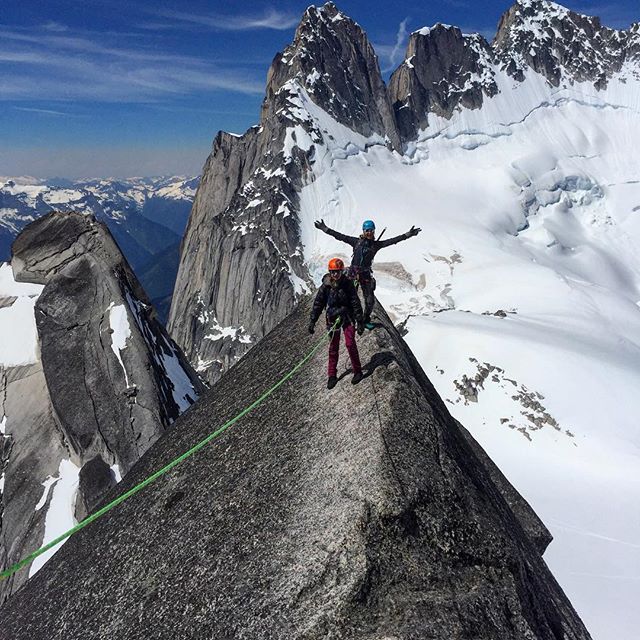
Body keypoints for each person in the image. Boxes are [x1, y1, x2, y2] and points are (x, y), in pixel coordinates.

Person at [314, 218, 421, 329]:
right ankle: (344, 316)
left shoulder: (375, 245)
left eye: (371, 230)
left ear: (373, 231)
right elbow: (340, 236)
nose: (369, 232)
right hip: (353, 272)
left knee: (370, 301)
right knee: (346, 296)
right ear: (364, 231)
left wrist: (408, 235)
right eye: (367, 230)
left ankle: (365, 320)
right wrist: (325, 229)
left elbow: (392, 241)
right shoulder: (356, 242)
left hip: (365, 274)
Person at [309, 257, 365, 389]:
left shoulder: (347, 284)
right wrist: (312, 321)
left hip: (347, 318)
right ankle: (332, 375)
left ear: (341, 272)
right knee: (333, 348)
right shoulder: (326, 287)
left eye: (338, 271)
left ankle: (358, 371)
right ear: (330, 272)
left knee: (350, 344)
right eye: (333, 272)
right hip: (333, 319)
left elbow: (355, 302)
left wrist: (360, 320)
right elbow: (318, 304)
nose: (335, 274)